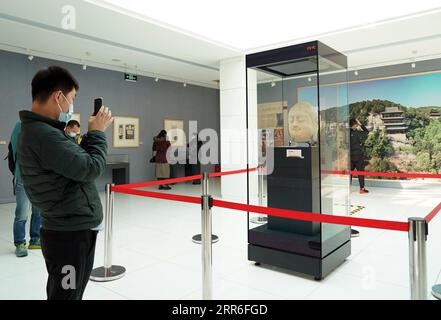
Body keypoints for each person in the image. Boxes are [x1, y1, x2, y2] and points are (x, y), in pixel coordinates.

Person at [17, 66, 113, 300]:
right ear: (58, 96)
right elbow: (90, 168)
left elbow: (76, 164)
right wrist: (98, 133)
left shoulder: (43, 132)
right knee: (66, 294)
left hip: (68, 230)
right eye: (71, 99)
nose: (71, 106)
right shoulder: (44, 135)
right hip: (68, 236)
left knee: (68, 291)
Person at [10, 120, 41, 257]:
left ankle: (35, 240)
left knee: (38, 212)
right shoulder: (20, 125)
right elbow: (17, 148)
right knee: (22, 213)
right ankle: (20, 243)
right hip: (23, 177)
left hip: (39, 179)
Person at [349, 118, 369, 238]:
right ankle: (362, 188)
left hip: (350, 156)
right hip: (358, 156)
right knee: (360, 172)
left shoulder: (347, 132)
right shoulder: (356, 132)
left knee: (350, 173)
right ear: (355, 124)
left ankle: (348, 188)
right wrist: (361, 124)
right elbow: (366, 132)